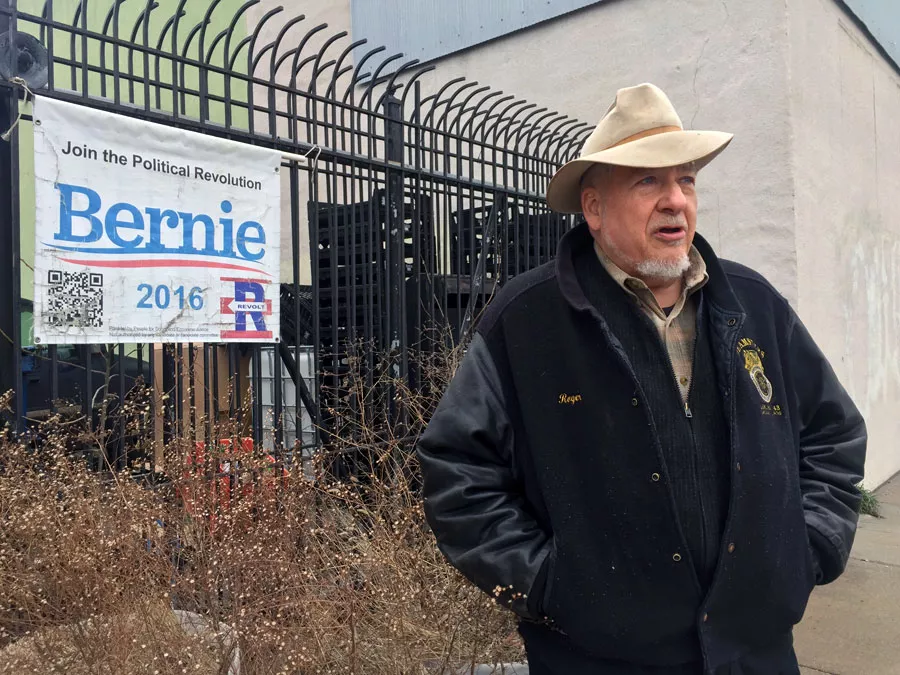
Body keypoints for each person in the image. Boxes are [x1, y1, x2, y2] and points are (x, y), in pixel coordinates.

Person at [416, 83, 867, 674]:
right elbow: (458, 471)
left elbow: (833, 433)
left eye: (686, 180)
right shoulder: (526, 321)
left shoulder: (754, 306)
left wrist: (804, 549)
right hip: (597, 658)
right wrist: (551, 583)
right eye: (648, 181)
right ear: (595, 209)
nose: (676, 200)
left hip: (753, 653)